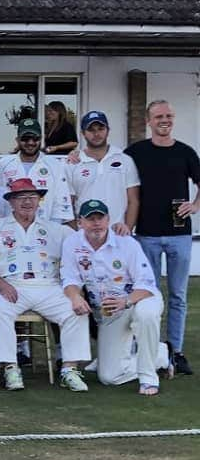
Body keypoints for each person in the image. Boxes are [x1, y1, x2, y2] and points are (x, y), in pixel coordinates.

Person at [0, 178, 90, 392]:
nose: (27, 202)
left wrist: (115, 231)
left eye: (32, 197)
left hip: (49, 285)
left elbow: (86, 243)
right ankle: (10, 368)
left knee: (76, 309)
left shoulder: (57, 230)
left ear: (40, 200)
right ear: (11, 202)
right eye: (21, 197)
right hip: (11, 284)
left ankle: (70, 369)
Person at [62, 200, 172, 396]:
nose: (97, 223)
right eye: (91, 219)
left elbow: (147, 284)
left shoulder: (126, 242)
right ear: (80, 222)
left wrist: (126, 301)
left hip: (138, 299)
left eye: (101, 218)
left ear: (108, 219)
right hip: (109, 310)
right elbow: (69, 278)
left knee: (146, 314)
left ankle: (148, 378)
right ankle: (161, 356)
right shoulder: (72, 242)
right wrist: (74, 297)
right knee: (109, 377)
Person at [125, 99, 200, 376]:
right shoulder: (136, 152)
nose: (164, 120)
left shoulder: (186, 153)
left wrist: (195, 205)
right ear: (149, 121)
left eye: (168, 115)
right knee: (149, 296)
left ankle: (176, 351)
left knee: (178, 295)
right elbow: (111, 165)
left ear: (173, 119)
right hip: (146, 235)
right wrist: (76, 157)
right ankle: (152, 350)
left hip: (180, 235)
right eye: (158, 116)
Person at [65, 110, 139, 236]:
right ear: (83, 133)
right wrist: (77, 233)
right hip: (85, 237)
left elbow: (134, 200)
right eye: (91, 130)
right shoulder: (73, 164)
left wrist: (127, 229)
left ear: (108, 130)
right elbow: (67, 204)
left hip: (118, 234)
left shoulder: (124, 160)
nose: (96, 134)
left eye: (100, 128)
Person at [0, 118, 73, 225]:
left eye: (35, 138)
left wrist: (54, 229)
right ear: (17, 140)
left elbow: (61, 203)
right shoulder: (3, 164)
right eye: (25, 138)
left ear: (41, 139)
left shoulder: (55, 165)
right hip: (9, 231)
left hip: (45, 231)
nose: (30, 142)